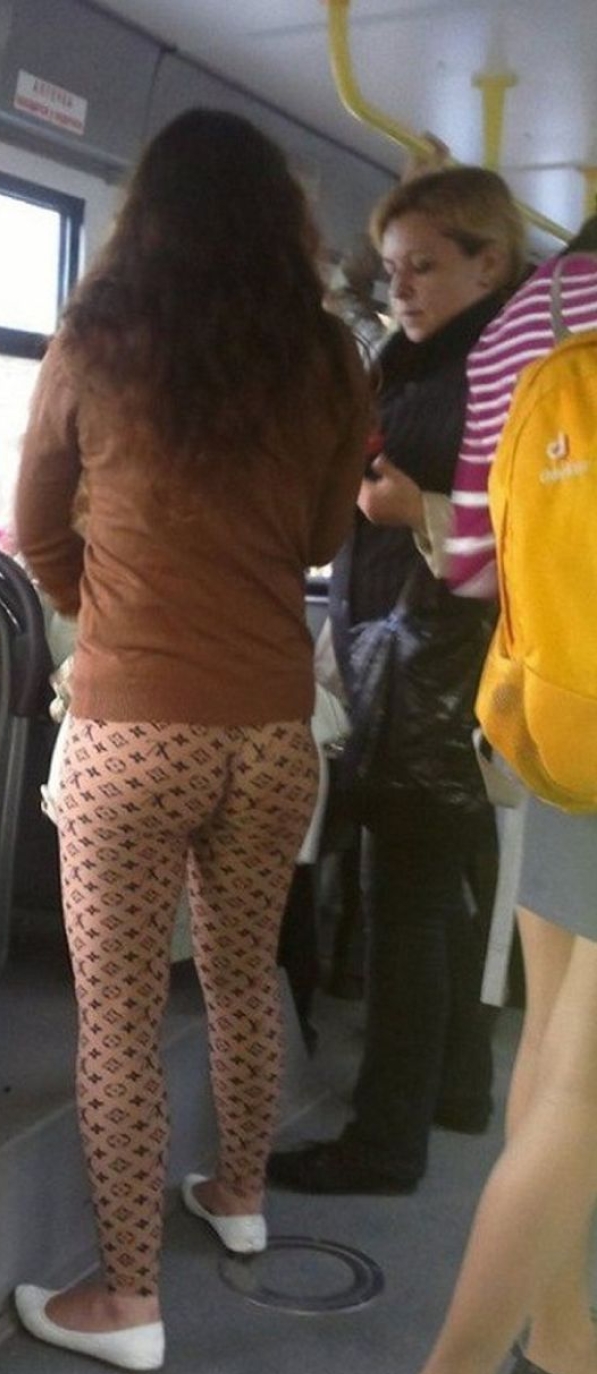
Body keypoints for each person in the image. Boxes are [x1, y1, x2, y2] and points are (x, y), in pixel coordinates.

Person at [11, 107, 370, 1372]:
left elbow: (35, 525)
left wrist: (115, 620)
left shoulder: (94, 341)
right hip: (270, 729)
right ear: (283, 221)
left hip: (129, 733)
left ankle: (128, 1299)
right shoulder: (329, 355)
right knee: (242, 973)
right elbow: (322, 536)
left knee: (116, 1016)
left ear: (143, 215)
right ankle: (242, 1196)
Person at [377, 220, 597, 1374]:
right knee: (588, 1080)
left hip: (557, 713)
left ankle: (562, 1348)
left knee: (556, 1042)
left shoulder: (538, 312)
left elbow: (475, 558)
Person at [267, 167, 527, 1196]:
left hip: (439, 665)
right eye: (391, 267)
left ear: (488, 262)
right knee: (441, 895)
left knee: (405, 902)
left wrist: (416, 511)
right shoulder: (417, 362)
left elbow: (529, 530)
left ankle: (383, 1143)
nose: (402, 287)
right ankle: (457, 1086)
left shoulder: (496, 375)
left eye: (424, 265)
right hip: (407, 655)